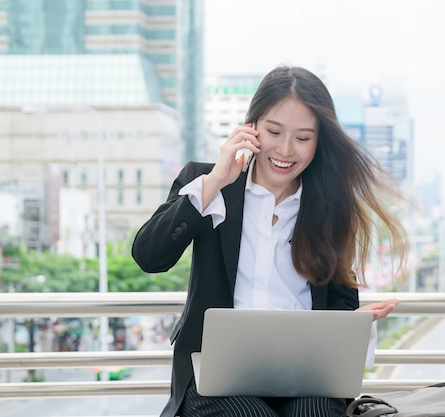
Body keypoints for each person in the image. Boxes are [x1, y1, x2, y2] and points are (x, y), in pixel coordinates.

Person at [131, 65, 408, 417]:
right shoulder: (208, 184)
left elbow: (338, 297)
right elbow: (148, 256)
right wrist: (215, 181)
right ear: (251, 127)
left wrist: (351, 323)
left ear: (319, 141)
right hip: (213, 379)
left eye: (303, 138)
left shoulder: (330, 207)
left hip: (305, 374)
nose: (286, 150)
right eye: (274, 132)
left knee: (317, 413)